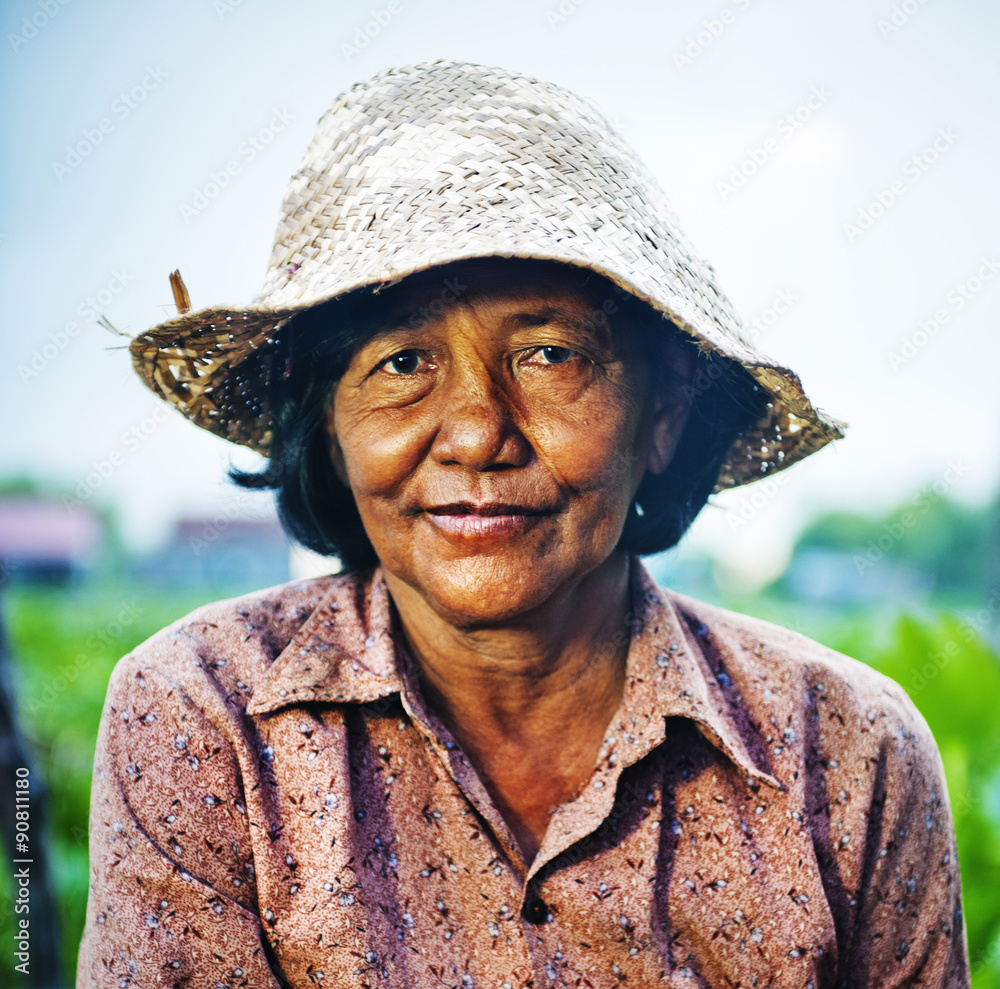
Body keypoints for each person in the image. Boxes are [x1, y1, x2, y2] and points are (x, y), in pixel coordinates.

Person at [77, 61, 969, 988]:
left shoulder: (847, 748)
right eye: (402, 362)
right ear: (329, 429)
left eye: (548, 355)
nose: (476, 432)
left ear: (660, 414)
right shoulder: (205, 718)